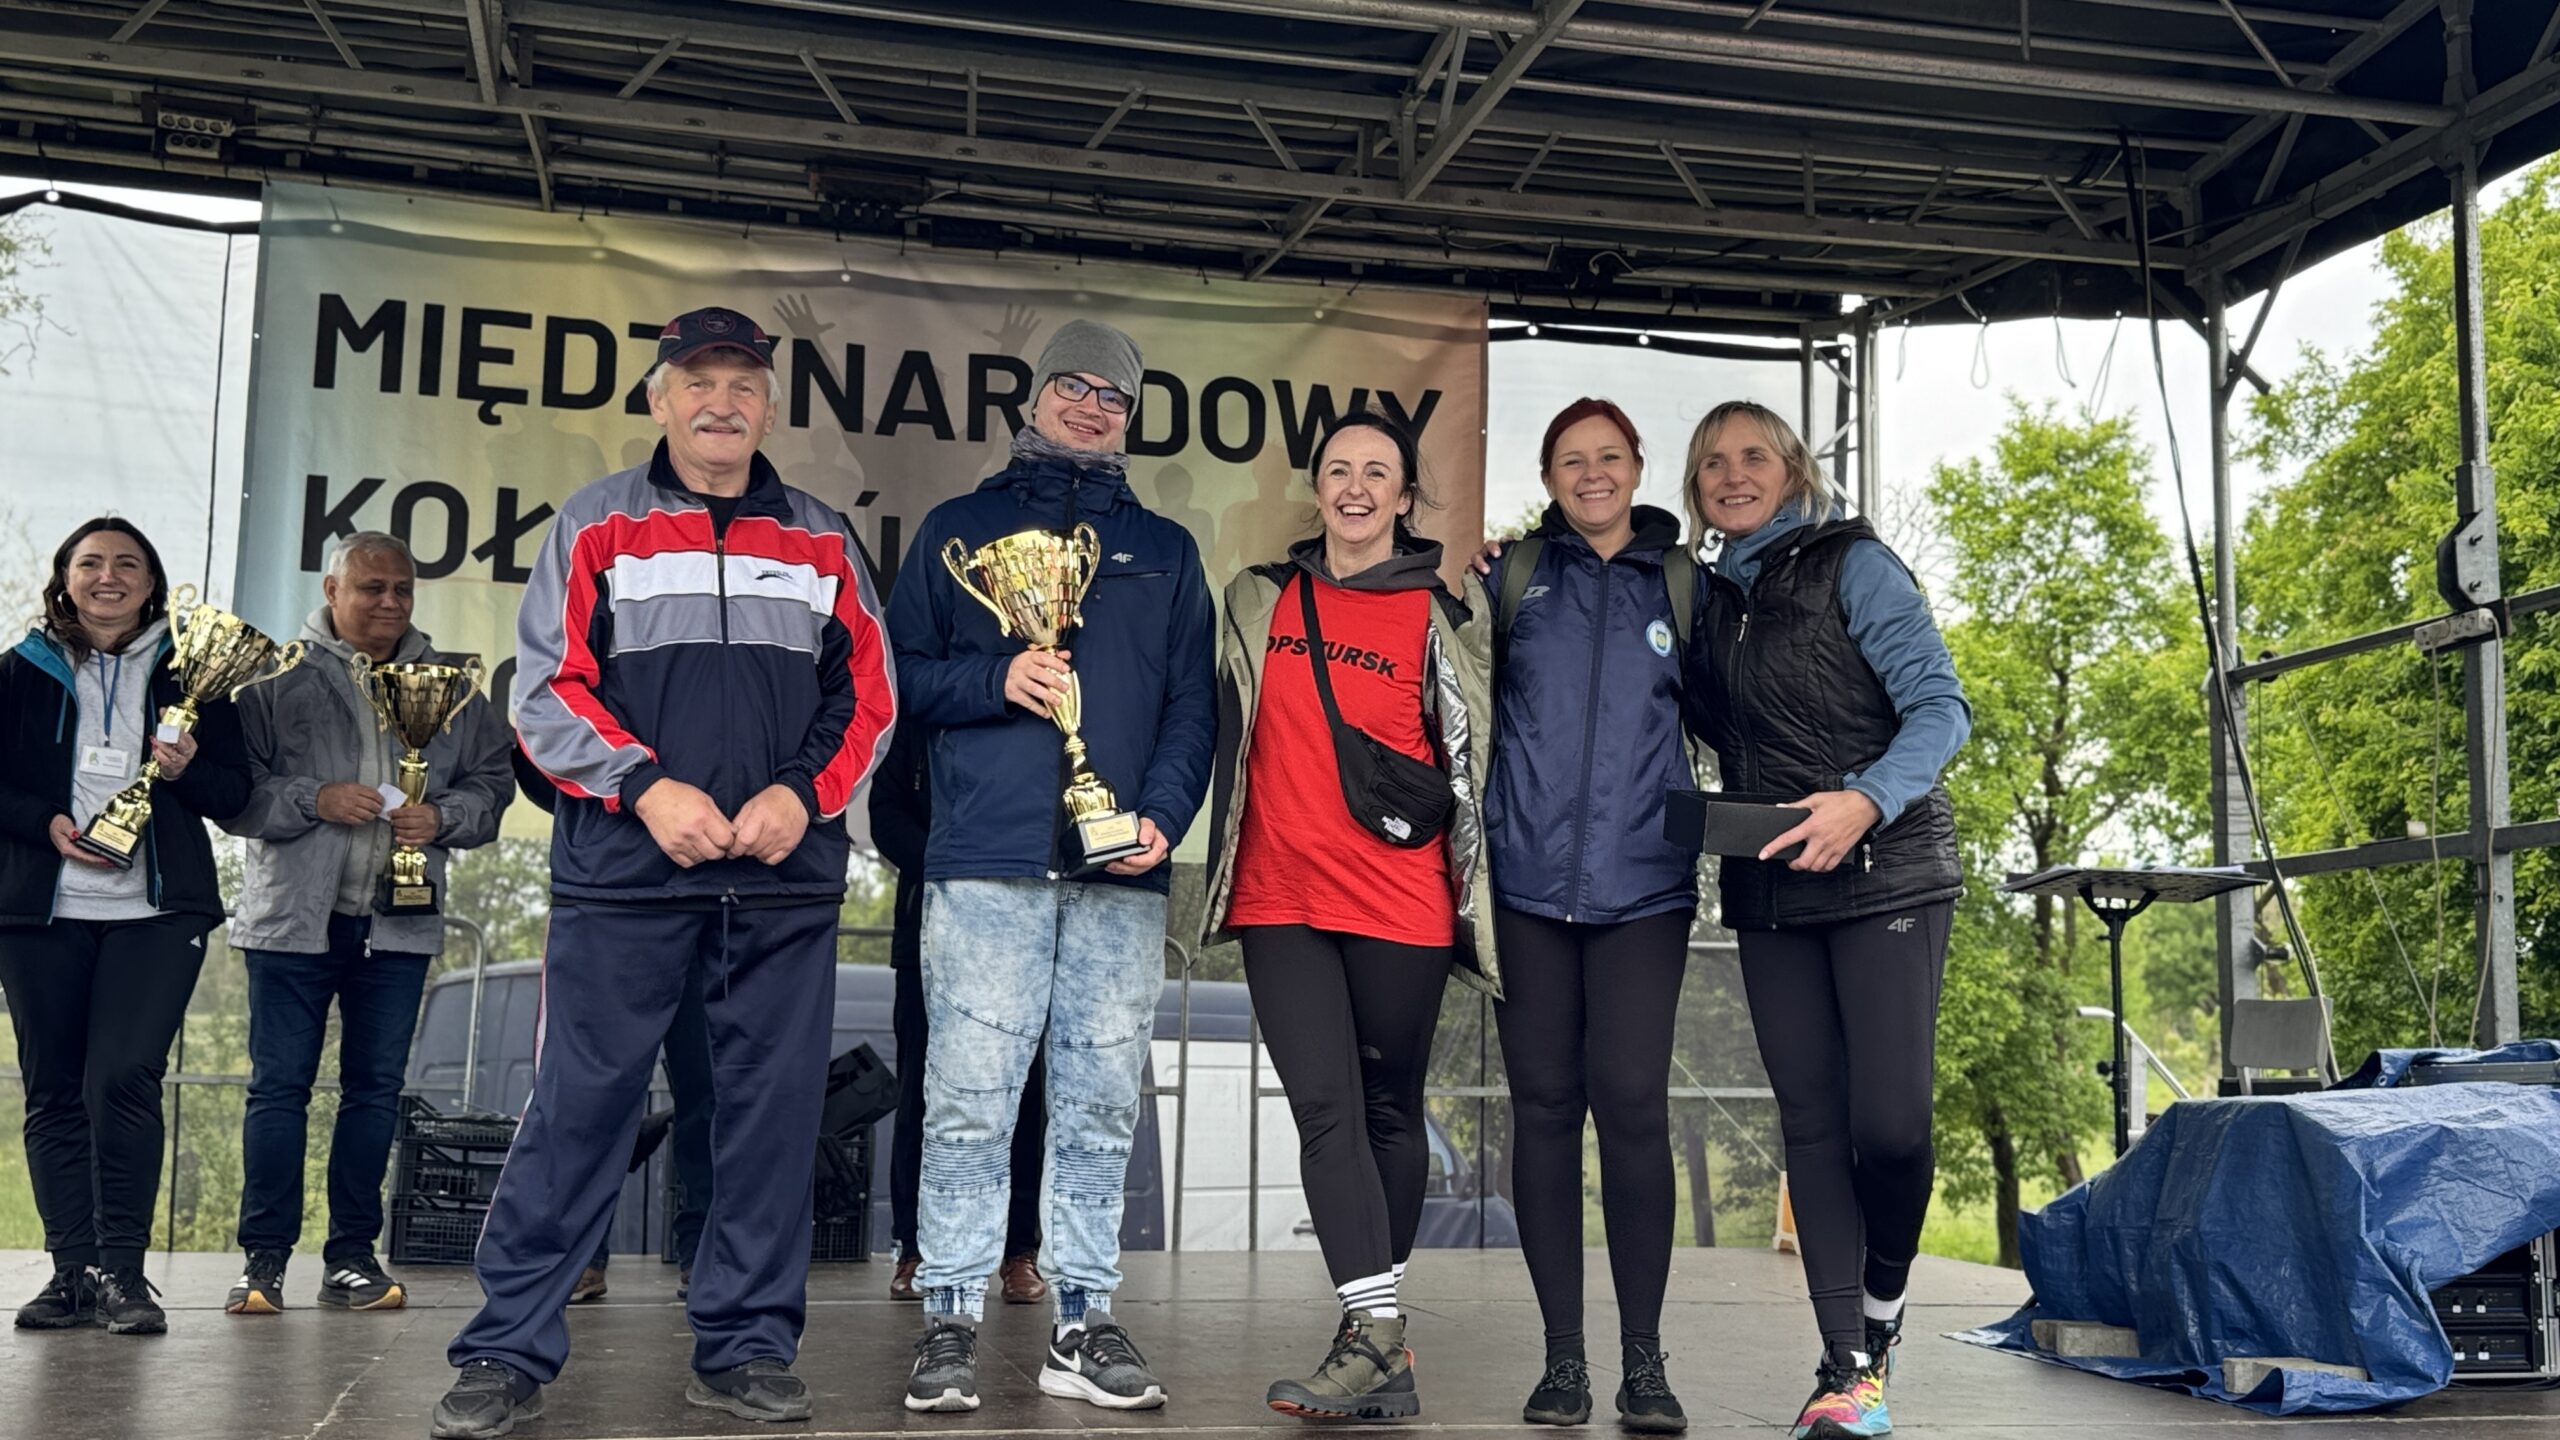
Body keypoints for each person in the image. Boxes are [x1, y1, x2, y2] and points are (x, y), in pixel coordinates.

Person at [430, 306, 897, 1438]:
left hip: (780, 884)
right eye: (698, 381)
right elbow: (543, 691)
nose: (720, 402)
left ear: (769, 409)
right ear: (659, 399)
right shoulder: (596, 523)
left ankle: (744, 1349)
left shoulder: (824, 537)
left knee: (768, 1123)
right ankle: (504, 1352)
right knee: (577, 1110)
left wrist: (802, 795)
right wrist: (644, 788)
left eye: (743, 383)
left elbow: (872, 697)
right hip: (624, 878)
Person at [889, 318, 1214, 1415]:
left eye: (1113, 395)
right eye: (1071, 386)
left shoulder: (1168, 550)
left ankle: (1082, 1318)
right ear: (1032, 399)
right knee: (968, 1104)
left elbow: (1192, 704)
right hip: (985, 863)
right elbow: (894, 681)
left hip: (1120, 870)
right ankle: (948, 1319)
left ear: (1132, 418)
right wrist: (996, 682)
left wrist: (1164, 814)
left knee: (1099, 1108)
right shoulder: (958, 529)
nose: (1090, 405)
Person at [1199, 412, 1499, 1420]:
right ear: (1317, 487)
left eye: (1378, 473)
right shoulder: (1258, 598)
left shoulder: (1441, 613)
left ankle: (1375, 1344)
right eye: (1339, 470)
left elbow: (1481, 754)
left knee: (1388, 1112)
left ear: (1406, 497)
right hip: (1279, 895)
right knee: (1324, 1108)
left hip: (1399, 901)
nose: (1357, 487)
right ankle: (1376, 1335)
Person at [1679, 400, 1968, 1440]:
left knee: (1889, 1128)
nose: (1733, 474)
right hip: (1771, 888)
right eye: (1713, 463)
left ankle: (1883, 1314)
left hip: (1886, 870)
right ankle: (1846, 1363)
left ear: (1793, 471)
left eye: (1754, 455)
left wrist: (1864, 800)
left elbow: (1942, 707)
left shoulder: (1856, 565)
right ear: (1696, 488)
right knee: (1810, 1124)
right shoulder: (1706, 598)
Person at [1470, 399, 1702, 1432]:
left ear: (1638, 467)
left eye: (1609, 457)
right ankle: (1562, 1359)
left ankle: (1644, 1363)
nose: (1593, 473)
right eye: (1573, 459)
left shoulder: (1686, 585)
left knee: (1634, 1107)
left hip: (1645, 888)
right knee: (1545, 1110)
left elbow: (1737, 716)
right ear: (1549, 476)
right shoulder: (1514, 577)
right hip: (1524, 883)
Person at [218, 531, 513, 1316]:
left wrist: (442, 817)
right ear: (331, 590)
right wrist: (311, 799)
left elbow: (494, 784)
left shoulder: (453, 686)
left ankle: (352, 1257)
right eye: (371, 587)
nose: (390, 602)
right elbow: (233, 793)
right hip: (290, 924)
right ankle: (262, 1262)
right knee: (278, 1091)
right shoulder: (272, 678)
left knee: (376, 1093)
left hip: (399, 926)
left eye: (402, 589)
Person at [0, 518, 252, 1335]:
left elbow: (237, 794)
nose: (107, 576)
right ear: (65, 578)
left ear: (151, 583)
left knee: (121, 1079)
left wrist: (189, 769)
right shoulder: (18, 670)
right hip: (41, 911)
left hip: (157, 911)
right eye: (91, 563)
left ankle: (124, 1274)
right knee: (54, 1089)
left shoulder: (194, 671)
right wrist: (42, 822)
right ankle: (72, 1273)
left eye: (127, 564)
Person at [869, 719, 1049, 1307]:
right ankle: (915, 1247)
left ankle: (1019, 1250)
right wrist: (955, 864)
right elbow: (885, 816)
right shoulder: (919, 720)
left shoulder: (1032, 722)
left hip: (1020, 933)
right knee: (921, 1095)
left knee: (1026, 1095)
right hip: (929, 929)